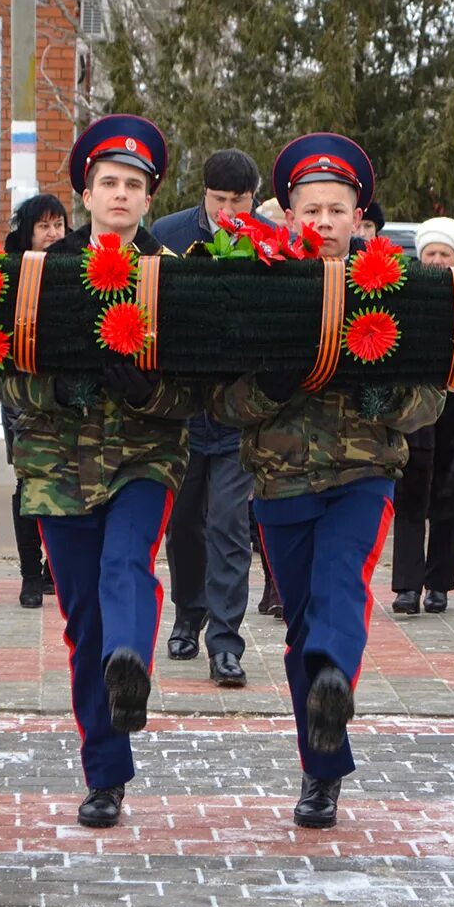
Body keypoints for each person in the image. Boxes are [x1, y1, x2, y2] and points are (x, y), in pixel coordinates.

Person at [213, 133, 445, 829]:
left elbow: (430, 398)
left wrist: (387, 401)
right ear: (288, 215)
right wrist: (272, 386)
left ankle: (336, 676)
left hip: (362, 473)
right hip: (281, 482)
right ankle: (322, 767)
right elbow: (223, 403)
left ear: (358, 217)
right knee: (301, 629)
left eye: (335, 208)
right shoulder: (255, 285)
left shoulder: (399, 289)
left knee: (342, 584)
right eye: (309, 207)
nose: (322, 219)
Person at [0, 115, 197, 830]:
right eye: (108, 182)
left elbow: (198, 387)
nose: (119, 194)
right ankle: (105, 774)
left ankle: (131, 664)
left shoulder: (178, 276)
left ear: (149, 198)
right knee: (82, 618)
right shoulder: (42, 276)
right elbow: (7, 375)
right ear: (85, 192)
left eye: (133, 185)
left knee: (127, 562)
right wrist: (59, 387)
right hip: (56, 468)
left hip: (145, 457)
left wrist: (147, 391)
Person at [151, 149, 263, 685]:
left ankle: (225, 641)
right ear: (203, 193)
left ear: (253, 199)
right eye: (217, 201)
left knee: (229, 525)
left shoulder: (270, 243)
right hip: (183, 409)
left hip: (239, 411)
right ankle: (187, 613)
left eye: (237, 202)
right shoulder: (167, 235)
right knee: (184, 523)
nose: (226, 212)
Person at [393, 216, 454, 616]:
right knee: (410, 503)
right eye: (430, 253)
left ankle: (438, 586)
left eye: (444, 254)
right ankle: (405, 588)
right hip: (414, 417)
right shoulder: (407, 297)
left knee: (451, 505)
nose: (437, 260)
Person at [1, 192, 70, 608]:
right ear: (28, 232)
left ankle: (53, 571)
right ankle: (30, 573)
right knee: (28, 482)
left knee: (67, 481)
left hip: (67, 392)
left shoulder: (77, 265)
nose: (53, 234)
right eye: (43, 226)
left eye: (58, 225)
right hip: (21, 389)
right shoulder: (10, 274)